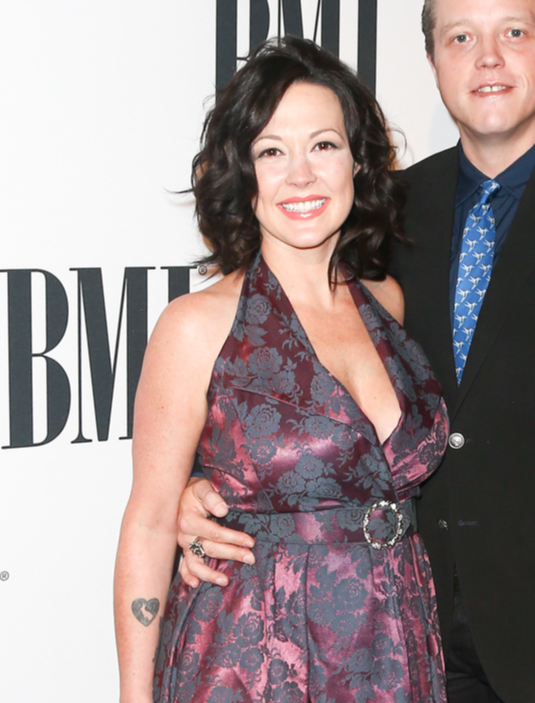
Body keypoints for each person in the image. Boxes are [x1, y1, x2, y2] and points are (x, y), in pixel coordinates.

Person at [177, 0, 535, 703]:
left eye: (514, 33)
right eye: (461, 37)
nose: (487, 58)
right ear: (433, 59)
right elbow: (300, 366)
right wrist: (199, 485)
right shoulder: (384, 214)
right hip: (401, 629)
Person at [114, 36, 449, 703]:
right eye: (272, 152)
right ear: (245, 173)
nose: (302, 175)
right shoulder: (197, 326)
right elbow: (150, 525)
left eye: (323, 145)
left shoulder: (387, 302)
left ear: (357, 160)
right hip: (253, 661)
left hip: (394, 649)